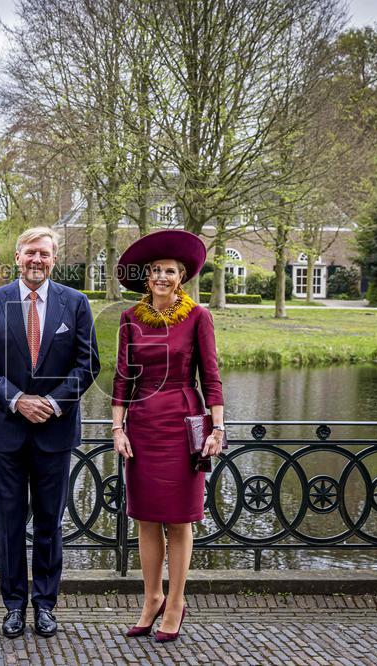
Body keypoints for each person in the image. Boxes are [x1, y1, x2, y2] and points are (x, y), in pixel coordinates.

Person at [0, 226, 100, 638]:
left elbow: (88, 364)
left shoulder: (75, 303)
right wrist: (17, 400)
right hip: (7, 431)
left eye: (44, 253)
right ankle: (13, 607)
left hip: (55, 432)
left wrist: (53, 403)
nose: (36, 260)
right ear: (18, 256)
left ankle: (45, 605)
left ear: (54, 258)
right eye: (30, 253)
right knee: (9, 524)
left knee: (48, 523)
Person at [111, 229, 225, 643]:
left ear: (182, 278)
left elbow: (211, 376)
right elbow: (122, 378)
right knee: (144, 518)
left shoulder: (198, 317)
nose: (162, 277)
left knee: (178, 520)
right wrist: (118, 427)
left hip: (182, 422)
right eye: (156, 270)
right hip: (142, 424)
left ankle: (175, 602)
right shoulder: (130, 318)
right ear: (147, 277)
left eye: (170, 271)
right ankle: (151, 598)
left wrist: (217, 427)